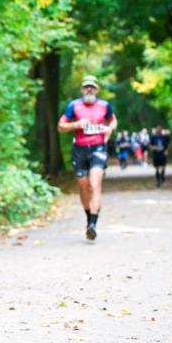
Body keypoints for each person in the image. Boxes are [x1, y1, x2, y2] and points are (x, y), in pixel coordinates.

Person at [58, 75, 118, 241]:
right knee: (84, 186)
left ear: (97, 89)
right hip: (80, 150)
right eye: (86, 87)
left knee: (94, 185)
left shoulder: (104, 105)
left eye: (92, 87)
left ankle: (93, 225)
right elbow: (61, 126)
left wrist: (109, 129)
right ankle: (88, 217)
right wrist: (76, 125)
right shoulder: (74, 106)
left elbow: (113, 121)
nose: (89, 89)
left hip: (98, 147)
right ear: (82, 89)